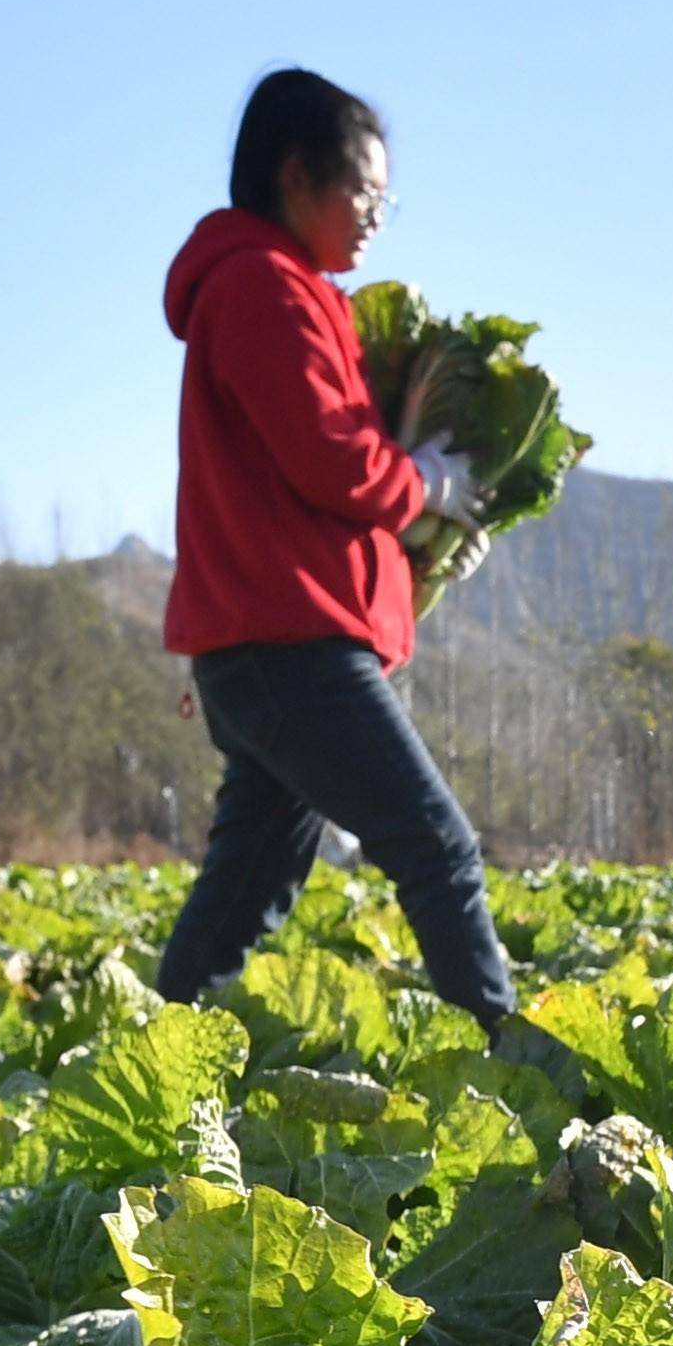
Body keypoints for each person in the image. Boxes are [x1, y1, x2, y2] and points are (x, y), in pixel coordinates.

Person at [150, 67, 532, 1037]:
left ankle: (147, 1044)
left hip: (267, 645)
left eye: (382, 198)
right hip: (291, 646)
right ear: (295, 176)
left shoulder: (282, 289)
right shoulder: (262, 288)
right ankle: (511, 1077)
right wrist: (425, 483)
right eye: (363, 190)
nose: (374, 216)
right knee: (434, 843)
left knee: (248, 887)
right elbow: (330, 461)